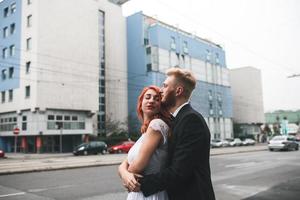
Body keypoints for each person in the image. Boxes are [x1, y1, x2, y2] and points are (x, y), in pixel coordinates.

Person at [121, 67, 215, 200]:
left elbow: (179, 172)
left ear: (178, 91)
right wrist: (124, 172)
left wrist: (139, 184)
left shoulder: (191, 120)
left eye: (165, 86)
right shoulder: (176, 120)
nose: (161, 90)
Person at [118, 85, 172, 200]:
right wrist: (123, 172)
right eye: (148, 97)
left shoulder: (157, 125)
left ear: (160, 106)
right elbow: (127, 162)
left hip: (150, 194)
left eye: (157, 99)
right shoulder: (145, 132)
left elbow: (136, 167)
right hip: (139, 193)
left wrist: (124, 172)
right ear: (141, 103)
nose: (151, 100)